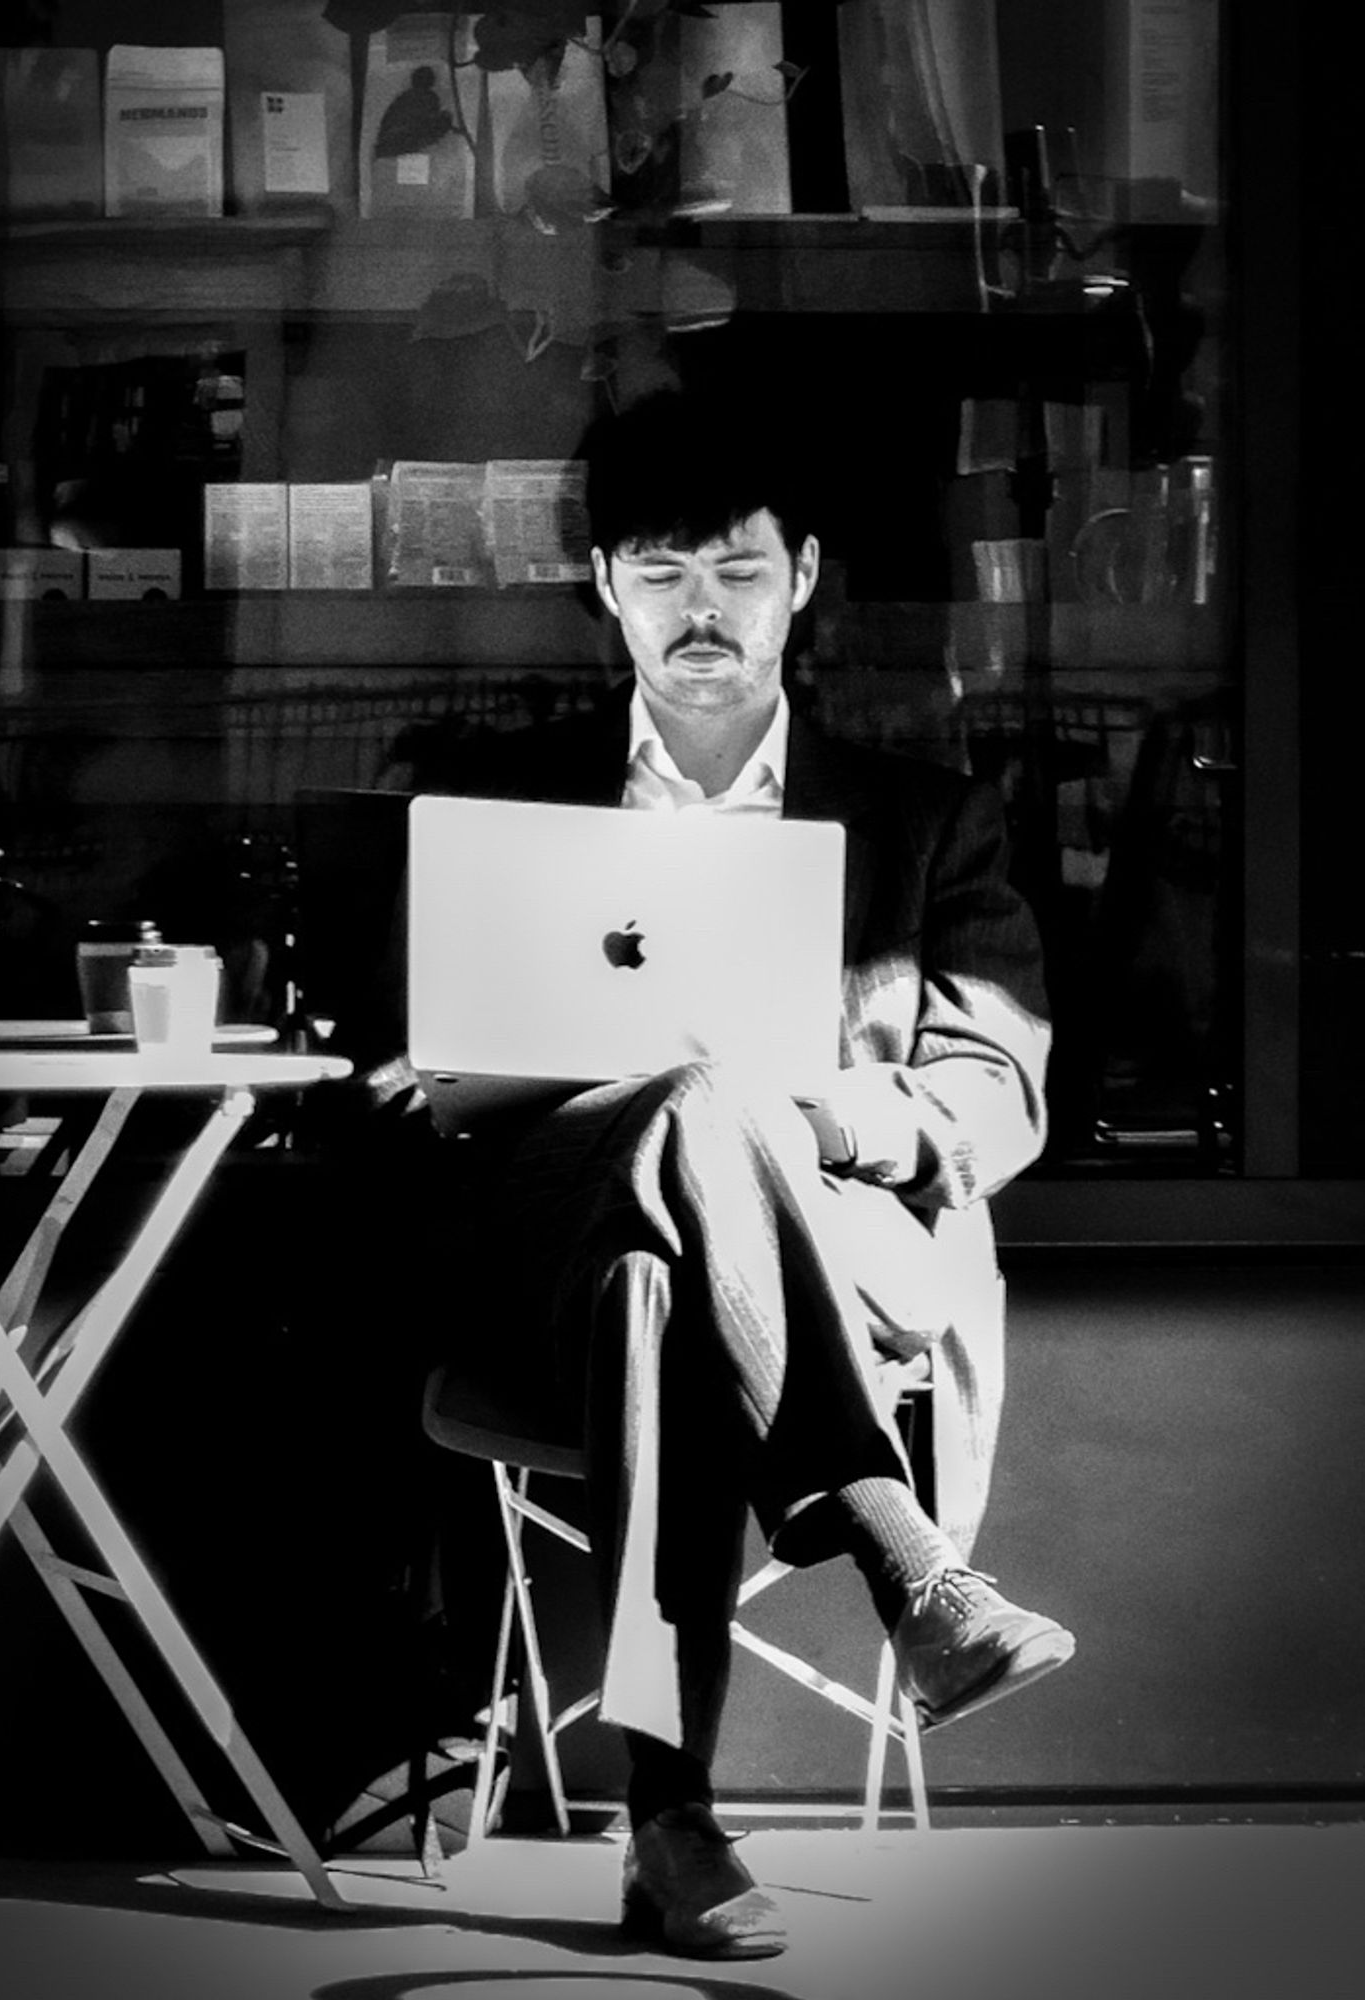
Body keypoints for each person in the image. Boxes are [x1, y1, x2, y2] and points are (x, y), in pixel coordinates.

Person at [377, 388, 1074, 1959]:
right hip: (533, 1237)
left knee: (664, 1251)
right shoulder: (498, 805)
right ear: (607, 590)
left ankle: (669, 1821)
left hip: (814, 1256)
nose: (704, 609)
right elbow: (389, 1060)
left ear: (804, 578)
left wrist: (814, 1115)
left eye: (737, 571)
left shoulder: (921, 822)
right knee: (658, 1164)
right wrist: (444, 1067)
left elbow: (991, 1091)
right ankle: (901, 1557)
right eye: (664, 571)